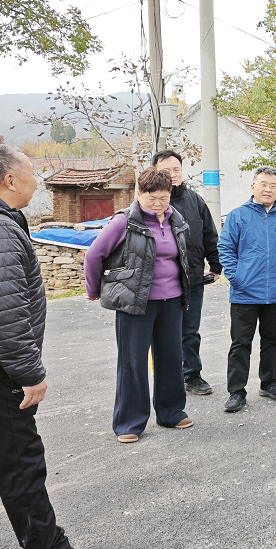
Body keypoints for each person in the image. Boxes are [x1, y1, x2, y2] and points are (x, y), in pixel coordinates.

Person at [0, 144, 97, 549]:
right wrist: (28, 374)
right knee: (20, 461)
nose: (37, 181)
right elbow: (4, 313)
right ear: (10, 180)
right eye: (32, 173)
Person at [85, 167, 193, 444]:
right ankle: (129, 422)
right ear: (139, 193)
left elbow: (180, 257)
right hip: (135, 301)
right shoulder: (124, 221)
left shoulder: (176, 218)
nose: (157, 204)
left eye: (163, 198)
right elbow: (94, 255)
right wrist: (93, 290)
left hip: (171, 300)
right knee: (133, 362)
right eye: (151, 198)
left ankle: (171, 412)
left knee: (171, 358)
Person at [218, 166, 276, 414]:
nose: (268, 189)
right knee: (240, 343)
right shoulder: (238, 216)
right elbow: (225, 248)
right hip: (245, 292)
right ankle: (236, 391)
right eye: (263, 184)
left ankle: (269, 383)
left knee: (272, 341)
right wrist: (237, 278)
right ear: (253, 187)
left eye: (273, 185)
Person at [153, 150, 223, 396]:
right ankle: (167, 378)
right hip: (162, 282)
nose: (172, 175)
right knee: (164, 332)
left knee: (190, 331)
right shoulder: (150, 203)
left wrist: (215, 266)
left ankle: (192, 374)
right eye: (166, 171)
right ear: (155, 173)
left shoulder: (195, 201)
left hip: (193, 279)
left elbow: (209, 234)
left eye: (176, 170)